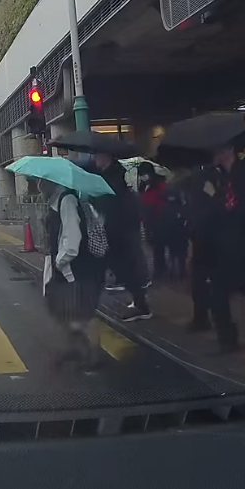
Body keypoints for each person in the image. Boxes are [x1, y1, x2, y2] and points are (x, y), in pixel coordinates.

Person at [187, 143, 245, 353]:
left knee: (233, 288)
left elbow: (238, 206)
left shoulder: (240, 173)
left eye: (219, 151)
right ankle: (224, 335)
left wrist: (219, 201)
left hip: (233, 241)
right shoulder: (213, 175)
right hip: (214, 241)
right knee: (219, 290)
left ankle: (227, 337)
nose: (215, 154)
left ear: (229, 150)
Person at [39, 178, 106, 370]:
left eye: (40, 181)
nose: (38, 185)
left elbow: (71, 238)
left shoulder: (66, 201)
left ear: (50, 183)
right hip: (68, 267)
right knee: (62, 306)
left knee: (83, 310)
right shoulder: (59, 201)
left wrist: (60, 261)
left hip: (78, 267)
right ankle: (73, 346)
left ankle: (94, 353)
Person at [88, 152, 152, 321]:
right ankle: (139, 301)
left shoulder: (114, 177)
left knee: (125, 266)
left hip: (119, 229)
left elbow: (110, 203)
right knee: (121, 266)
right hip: (117, 228)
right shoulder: (109, 175)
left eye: (97, 156)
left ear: (106, 157)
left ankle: (141, 304)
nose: (95, 159)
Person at [137, 162, 169, 280]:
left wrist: (158, 214)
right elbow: (142, 202)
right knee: (152, 245)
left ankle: (160, 270)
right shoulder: (143, 186)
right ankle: (160, 269)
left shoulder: (159, 184)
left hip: (159, 219)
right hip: (148, 220)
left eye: (144, 174)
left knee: (158, 247)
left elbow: (163, 201)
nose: (142, 177)